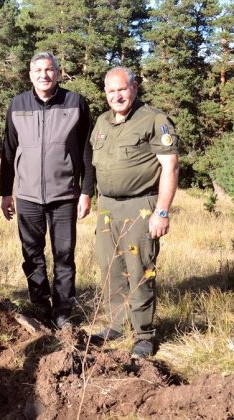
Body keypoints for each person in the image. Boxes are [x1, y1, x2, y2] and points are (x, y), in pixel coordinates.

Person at [88, 67, 179, 359]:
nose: (117, 96)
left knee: (139, 270)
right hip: (107, 207)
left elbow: (170, 167)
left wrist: (161, 212)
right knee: (110, 268)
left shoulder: (154, 120)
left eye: (122, 89)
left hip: (140, 207)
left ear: (134, 88)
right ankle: (115, 324)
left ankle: (143, 334)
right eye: (111, 91)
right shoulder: (101, 122)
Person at [0, 52, 94, 329]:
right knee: (32, 254)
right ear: (30, 75)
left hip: (65, 195)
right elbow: (8, 151)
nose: (44, 75)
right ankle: (40, 306)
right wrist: (6, 192)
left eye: (50, 69)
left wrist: (86, 192)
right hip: (27, 196)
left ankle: (63, 311)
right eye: (38, 70)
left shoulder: (75, 103)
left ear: (58, 73)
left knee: (64, 255)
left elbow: (88, 151)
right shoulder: (17, 105)